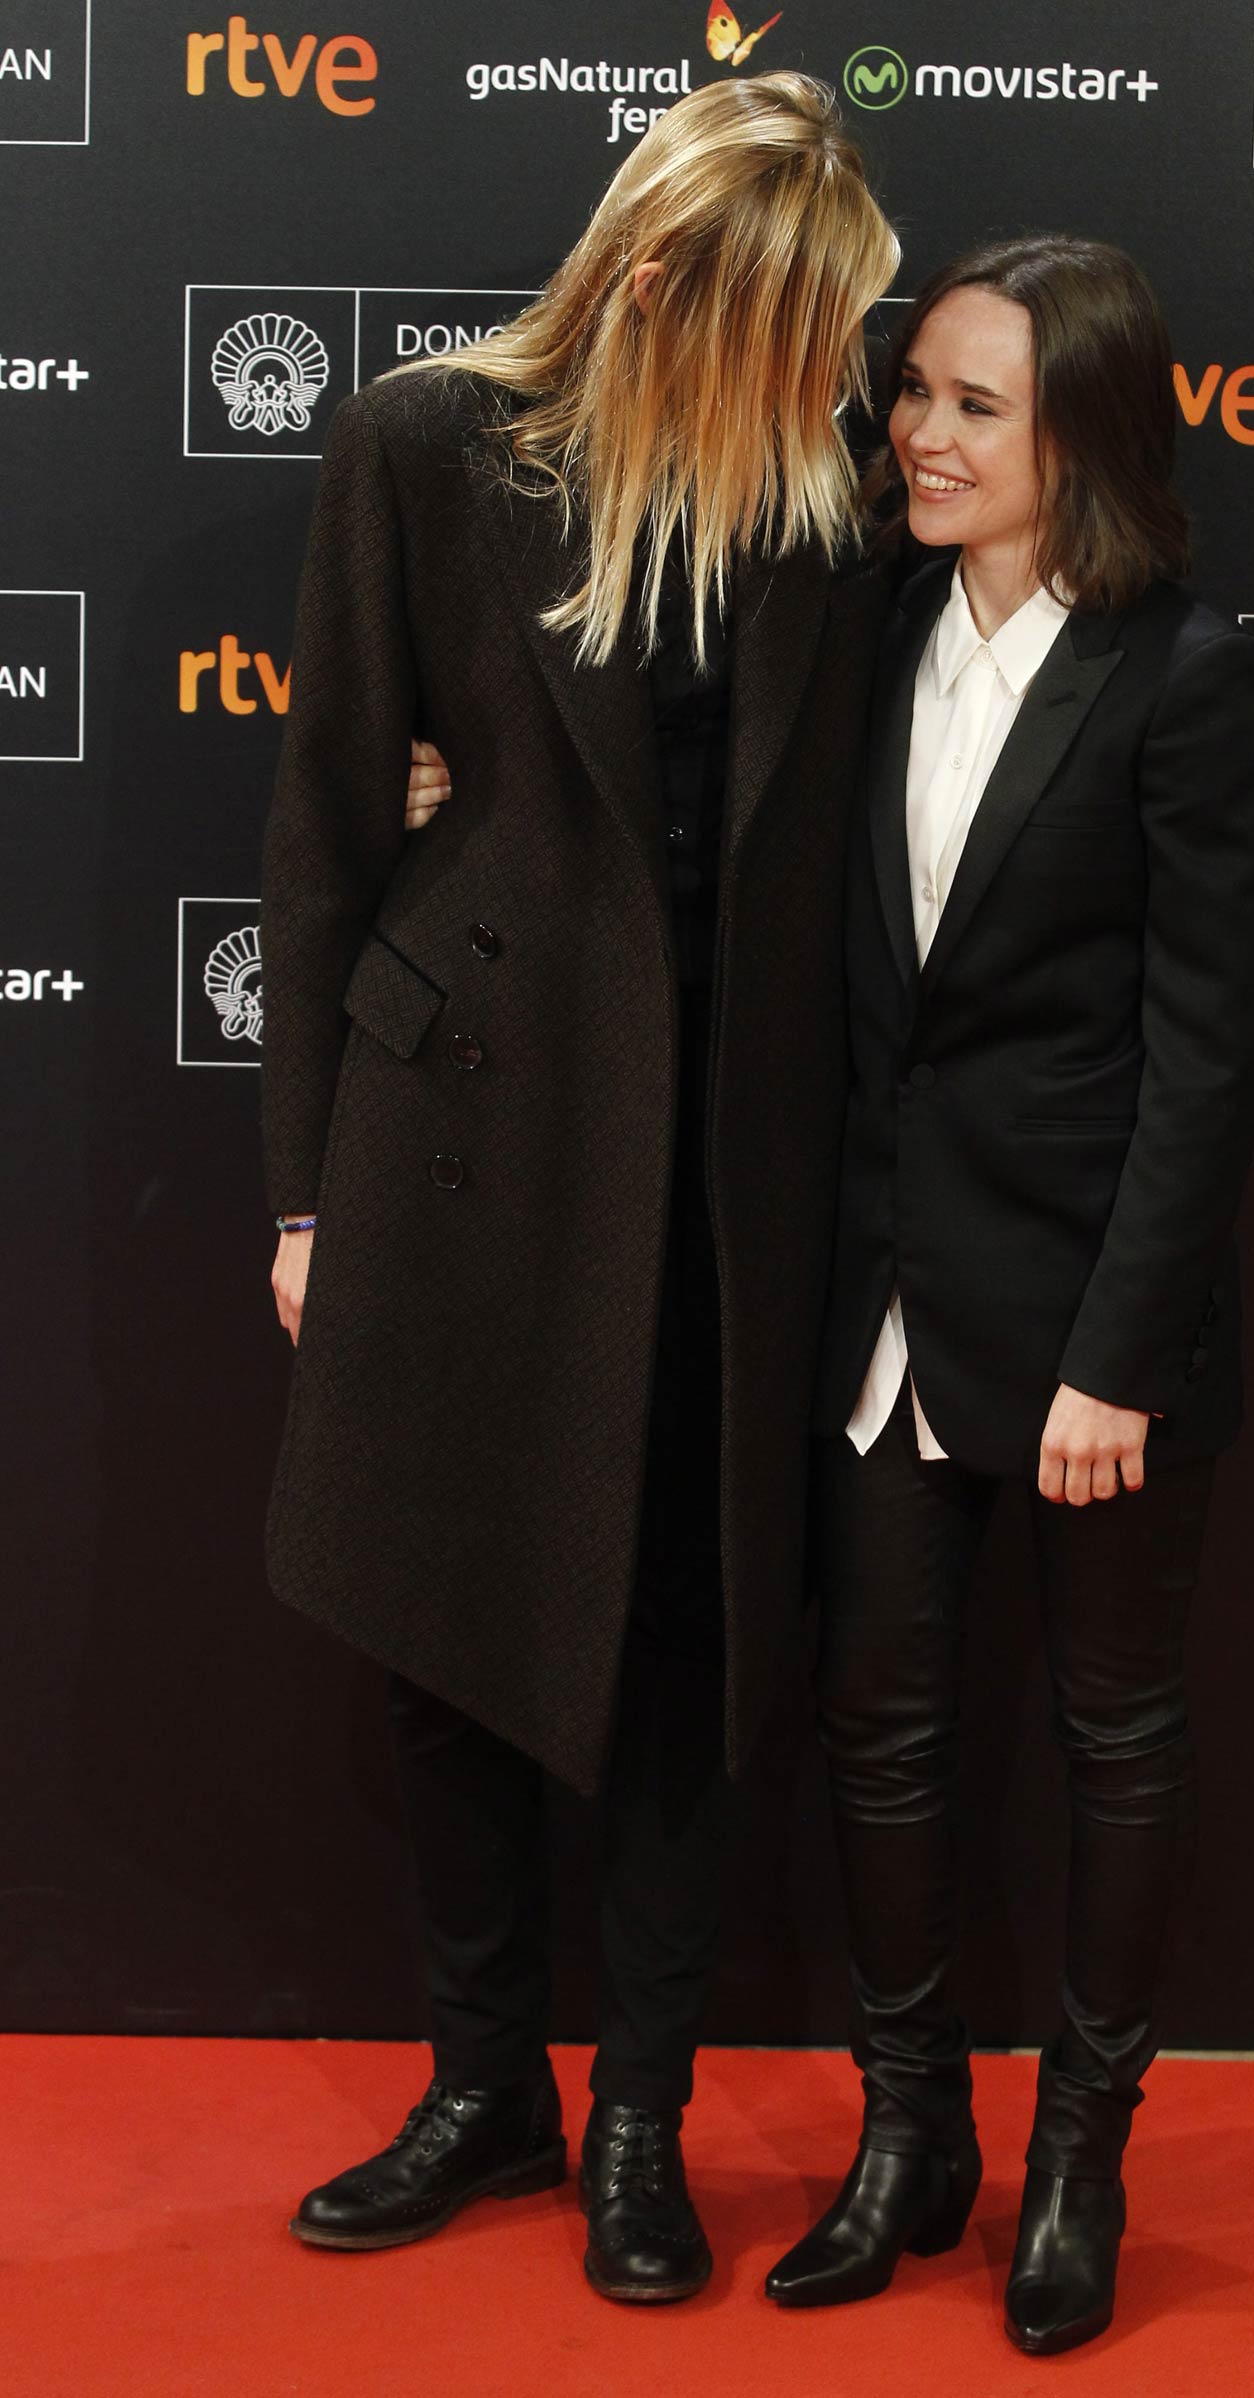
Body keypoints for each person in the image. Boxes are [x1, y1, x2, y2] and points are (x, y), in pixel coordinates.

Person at [258, 74, 898, 2301]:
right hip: (464, 1128)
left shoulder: (829, 509)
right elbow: (332, 833)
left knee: (682, 1630)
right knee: (443, 1615)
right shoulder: (423, 451)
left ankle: (638, 2109)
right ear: (657, 284)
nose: (834, 380)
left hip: (734, 1158)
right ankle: (480, 2087)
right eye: (795, 327)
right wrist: (300, 1194)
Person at [756, 237, 1254, 2353]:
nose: (919, 429)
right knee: (875, 1726)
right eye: (915, 391)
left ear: (1077, 435)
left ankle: (1079, 2149)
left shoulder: (1183, 670)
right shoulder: (875, 622)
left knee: (1109, 1735)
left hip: (1087, 1335)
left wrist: (1113, 1357)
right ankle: (910, 2137)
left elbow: (1205, 1053)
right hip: (879, 1294)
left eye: (973, 403)